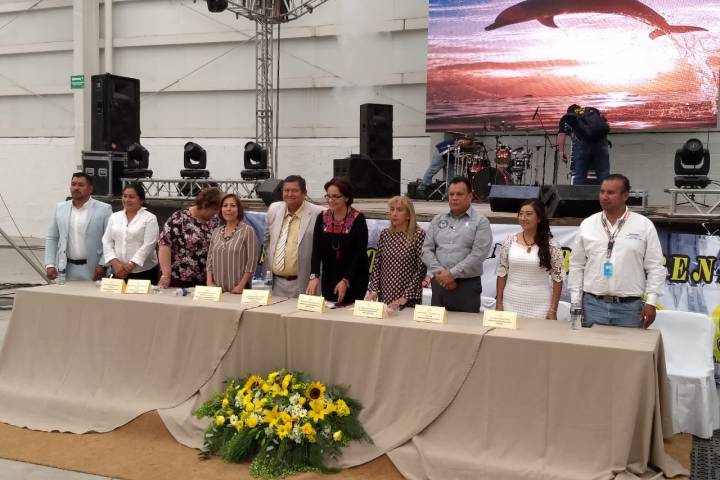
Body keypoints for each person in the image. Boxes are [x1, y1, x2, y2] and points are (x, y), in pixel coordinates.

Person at [569, 174, 664, 328]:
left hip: (630, 308)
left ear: (625, 195)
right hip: (593, 305)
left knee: (630, 345)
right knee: (591, 345)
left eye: (610, 192)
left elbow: (655, 266)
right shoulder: (588, 224)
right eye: (602, 192)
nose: (604, 196)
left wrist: (652, 301)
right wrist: (575, 300)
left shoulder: (644, 225)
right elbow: (576, 264)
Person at [422, 176, 492, 312]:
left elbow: (479, 254)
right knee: (437, 325)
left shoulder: (481, 222)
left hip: (466, 286)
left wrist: (452, 274)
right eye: (451, 194)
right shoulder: (437, 220)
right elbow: (426, 250)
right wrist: (441, 273)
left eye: (459, 194)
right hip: (439, 283)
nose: (454, 198)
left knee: (464, 325)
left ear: (470, 196)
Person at [495, 199, 563, 319]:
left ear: (539, 218)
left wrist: (553, 310)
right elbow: (501, 273)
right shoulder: (510, 240)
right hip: (510, 302)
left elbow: (558, 278)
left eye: (528, 214)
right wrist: (499, 303)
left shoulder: (552, 245)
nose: (523, 218)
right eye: (521, 214)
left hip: (540, 305)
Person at [306, 177, 369, 304]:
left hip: (354, 279)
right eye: (328, 196)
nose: (330, 200)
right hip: (329, 278)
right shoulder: (322, 217)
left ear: (346, 197)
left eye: (335, 196)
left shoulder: (358, 219)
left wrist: (346, 280)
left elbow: (360, 254)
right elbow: (316, 250)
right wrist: (314, 275)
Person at [263, 175, 323, 298]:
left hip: (305, 284)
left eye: (294, 190)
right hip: (276, 284)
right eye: (286, 190)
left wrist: (316, 276)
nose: (289, 194)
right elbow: (267, 242)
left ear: (304, 193)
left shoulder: (319, 213)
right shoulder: (274, 209)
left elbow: (323, 251)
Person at [45, 172, 112, 282]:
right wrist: (50, 264)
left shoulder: (104, 209)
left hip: (95, 269)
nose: (76, 188)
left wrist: (103, 264)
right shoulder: (60, 208)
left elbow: (110, 239)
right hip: (66, 269)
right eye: (73, 184)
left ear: (90, 189)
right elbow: (52, 237)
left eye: (81, 185)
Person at [367, 196, 426, 308]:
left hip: (408, 298)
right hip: (385, 295)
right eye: (392, 209)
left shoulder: (418, 235)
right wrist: (373, 290)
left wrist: (405, 297)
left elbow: (421, 269)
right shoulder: (385, 234)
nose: (394, 213)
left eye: (399, 210)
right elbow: (377, 265)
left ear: (408, 215)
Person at [158, 187, 222, 289]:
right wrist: (166, 274)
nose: (216, 212)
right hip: (178, 279)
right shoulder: (179, 218)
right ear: (204, 205)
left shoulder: (215, 221)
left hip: (205, 280)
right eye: (214, 209)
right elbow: (164, 244)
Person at [102, 183, 160, 281]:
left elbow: (149, 244)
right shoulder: (114, 216)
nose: (127, 200)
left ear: (141, 200)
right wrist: (115, 263)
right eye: (125, 196)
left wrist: (131, 264)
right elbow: (106, 241)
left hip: (144, 272)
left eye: (131, 197)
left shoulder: (150, 218)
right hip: (118, 270)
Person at [207, 194, 260, 293]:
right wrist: (209, 283)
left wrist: (241, 286)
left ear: (239, 209)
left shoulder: (248, 231)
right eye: (225, 206)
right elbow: (209, 260)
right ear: (221, 209)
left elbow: (252, 262)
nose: (228, 209)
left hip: (238, 291)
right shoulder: (216, 231)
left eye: (233, 205)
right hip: (217, 291)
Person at [557, 104, 610, 185]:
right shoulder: (592, 111)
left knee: (580, 175)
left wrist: (561, 151)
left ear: (569, 111)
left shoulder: (569, 116)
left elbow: (562, 133)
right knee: (604, 175)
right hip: (601, 144)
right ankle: (607, 192)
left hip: (583, 145)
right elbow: (606, 125)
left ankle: (577, 193)